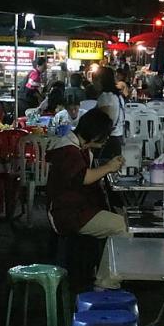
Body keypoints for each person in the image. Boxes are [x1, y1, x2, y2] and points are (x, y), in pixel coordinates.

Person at [45, 108, 126, 289]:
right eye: (104, 135)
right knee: (122, 227)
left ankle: (103, 274)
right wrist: (109, 167)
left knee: (121, 220)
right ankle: (105, 282)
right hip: (67, 213)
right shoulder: (68, 150)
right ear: (95, 134)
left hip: (79, 208)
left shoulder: (78, 148)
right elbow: (83, 177)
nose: (106, 140)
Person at [94, 66, 127, 159]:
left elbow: (105, 123)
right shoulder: (118, 96)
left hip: (107, 142)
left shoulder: (105, 97)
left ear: (100, 80)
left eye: (94, 80)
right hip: (118, 138)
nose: (93, 83)